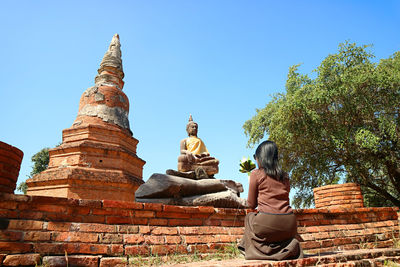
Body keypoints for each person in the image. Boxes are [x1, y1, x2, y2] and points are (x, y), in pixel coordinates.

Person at [238, 140, 303, 260]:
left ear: (260, 158)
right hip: (290, 224)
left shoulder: (256, 174)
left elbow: (251, 204)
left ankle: (250, 250)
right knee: (276, 232)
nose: (255, 160)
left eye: (255, 157)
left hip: (268, 223)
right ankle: (286, 250)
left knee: (249, 217)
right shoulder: (285, 176)